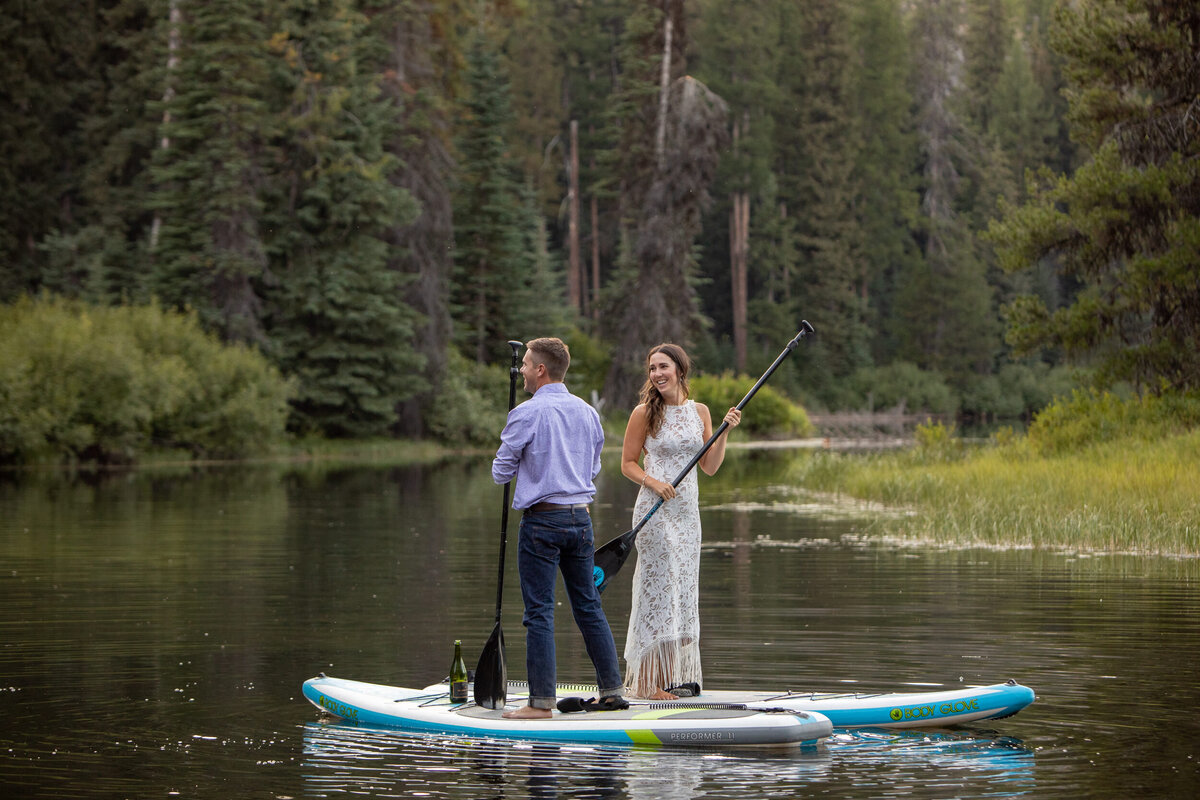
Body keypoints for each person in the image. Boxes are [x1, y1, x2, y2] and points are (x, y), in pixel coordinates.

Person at [492, 337, 626, 719]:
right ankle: (612, 690)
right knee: (588, 605)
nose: (521, 370)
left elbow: (500, 471)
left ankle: (540, 704)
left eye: (526, 364)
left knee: (539, 612)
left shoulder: (526, 413)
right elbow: (593, 467)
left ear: (540, 370)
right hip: (580, 520)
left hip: (541, 522)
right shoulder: (587, 412)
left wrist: (528, 465)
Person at [619, 343, 741, 700]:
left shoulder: (700, 411)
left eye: (663, 367)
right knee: (657, 593)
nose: (657, 374)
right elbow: (627, 463)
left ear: (680, 370)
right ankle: (644, 683)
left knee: (682, 595)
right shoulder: (643, 413)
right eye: (652, 368)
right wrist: (654, 482)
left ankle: (665, 679)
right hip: (655, 514)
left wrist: (724, 430)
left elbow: (710, 467)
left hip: (688, 517)